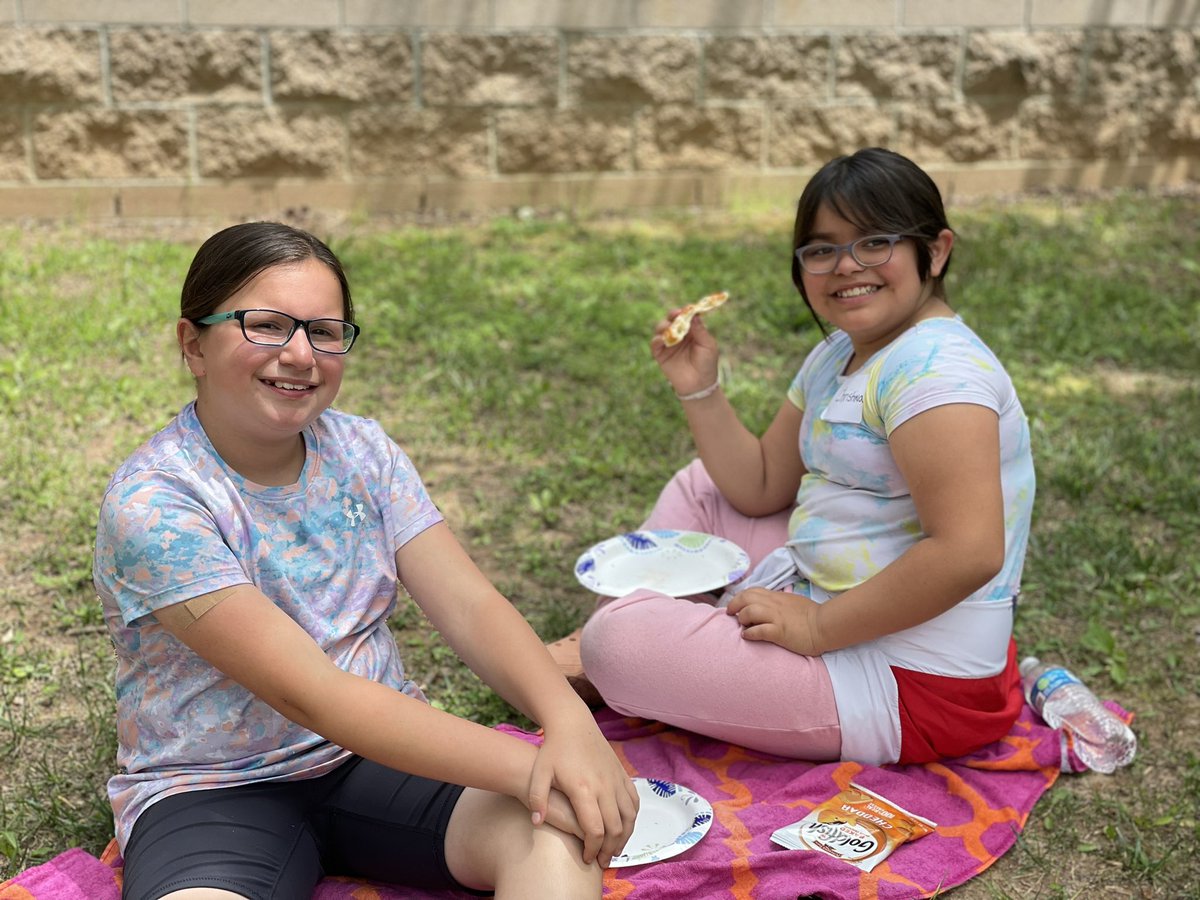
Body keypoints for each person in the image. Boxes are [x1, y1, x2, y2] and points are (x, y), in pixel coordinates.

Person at [93, 222, 638, 900]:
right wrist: (534, 767)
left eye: (324, 331)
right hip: (214, 789)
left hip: (381, 757)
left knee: (555, 837)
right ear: (192, 344)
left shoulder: (363, 451)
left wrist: (568, 721)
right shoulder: (155, 503)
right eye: (266, 325)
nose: (300, 354)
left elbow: (468, 605)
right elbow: (312, 694)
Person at [554, 147, 1035, 766]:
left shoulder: (937, 375)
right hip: (830, 594)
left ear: (935, 251)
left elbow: (968, 553)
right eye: (821, 248)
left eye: (874, 242)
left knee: (622, 642)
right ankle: (645, 648)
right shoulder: (844, 351)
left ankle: (621, 654)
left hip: (910, 683)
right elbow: (758, 487)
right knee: (704, 489)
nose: (846, 265)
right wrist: (699, 386)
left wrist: (816, 628)